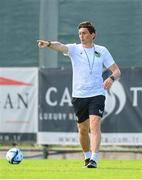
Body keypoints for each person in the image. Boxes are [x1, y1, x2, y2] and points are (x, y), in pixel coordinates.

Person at [37, 21, 121, 168]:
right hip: (79, 95)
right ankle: (87, 157)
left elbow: (117, 71)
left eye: (84, 33)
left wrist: (111, 78)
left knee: (95, 126)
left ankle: (94, 159)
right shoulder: (74, 49)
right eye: (80, 33)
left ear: (92, 35)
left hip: (97, 94)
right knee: (82, 129)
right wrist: (49, 43)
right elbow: (60, 46)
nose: (81, 36)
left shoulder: (102, 50)